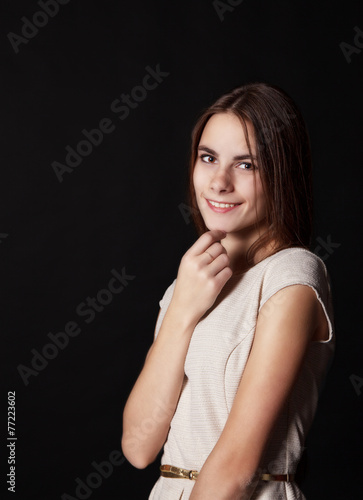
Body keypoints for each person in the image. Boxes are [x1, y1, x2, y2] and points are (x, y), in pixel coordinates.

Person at [121, 82, 335, 500]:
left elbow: (237, 465)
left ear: (282, 172)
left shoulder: (292, 275)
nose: (218, 182)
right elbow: (139, 446)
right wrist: (182, 308)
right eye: (208, 158)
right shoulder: (190, 283)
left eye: (247, 165)